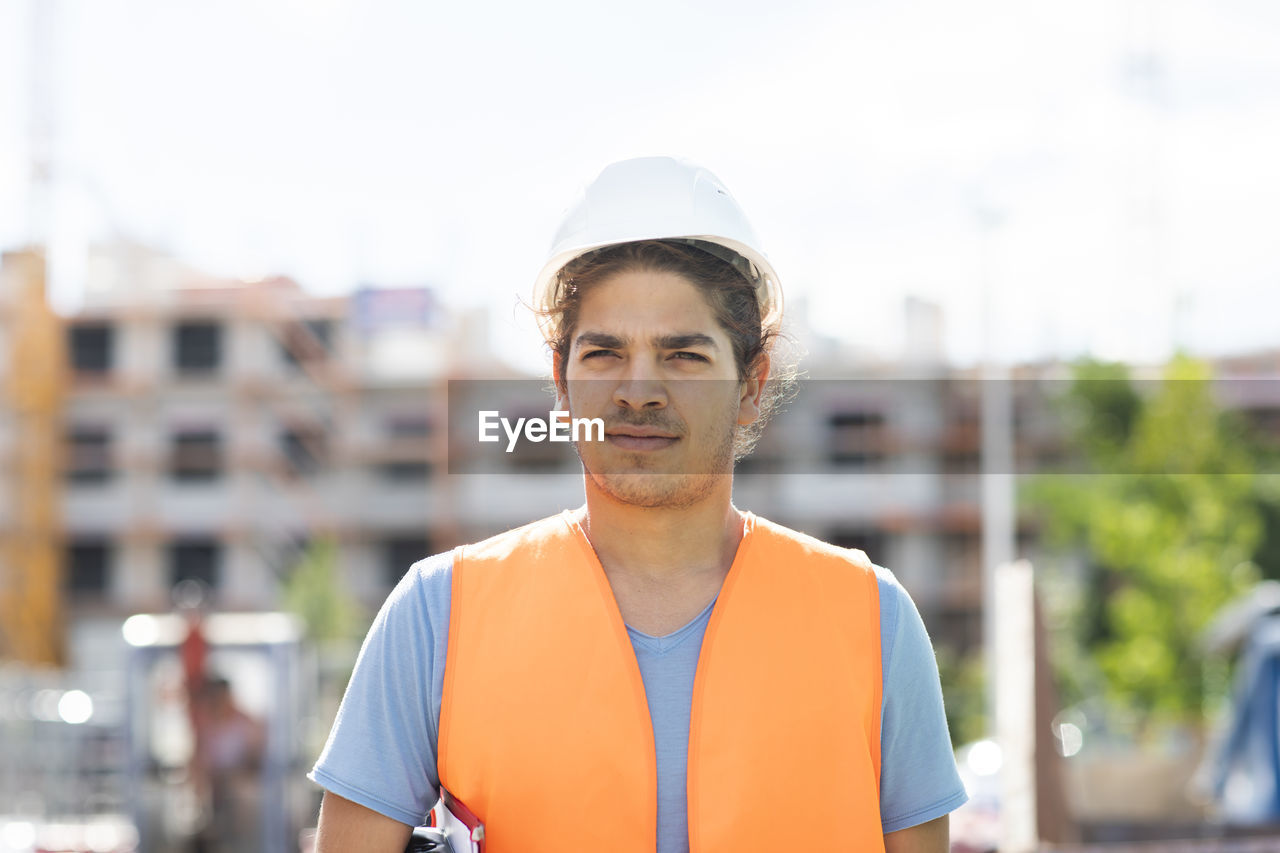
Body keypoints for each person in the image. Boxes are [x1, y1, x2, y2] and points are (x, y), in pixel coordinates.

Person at [309, 156, 968, 852]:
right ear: (561, 384)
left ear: (751, 383)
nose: (638, 391)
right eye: (603, 354)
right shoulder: (436, 615)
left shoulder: (874, 620)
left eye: (683, 355)